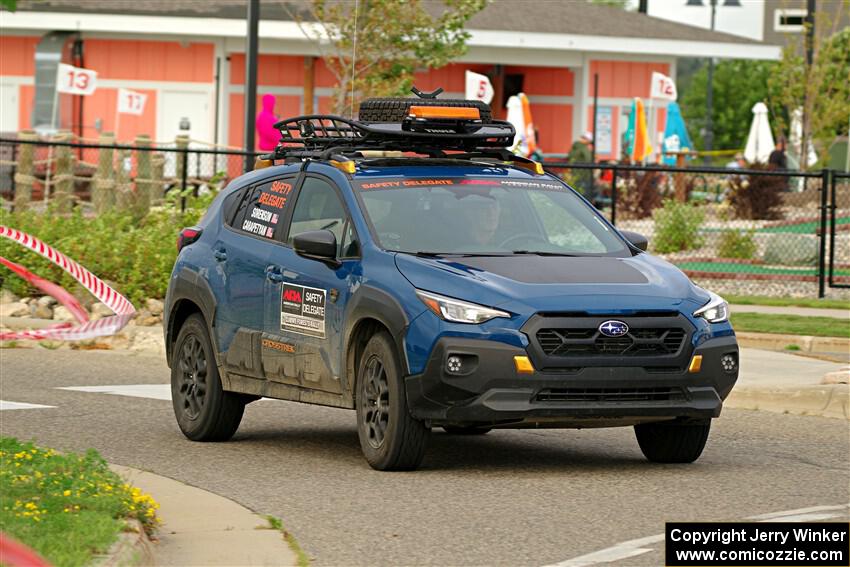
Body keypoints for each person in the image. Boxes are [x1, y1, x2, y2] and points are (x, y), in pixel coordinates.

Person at [568, 131, 595, 202]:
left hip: (584, 175)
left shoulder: (585, 148)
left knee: (583, 195)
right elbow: (572, 157)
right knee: (580, 195)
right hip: (579, 175)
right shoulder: (579, 147)